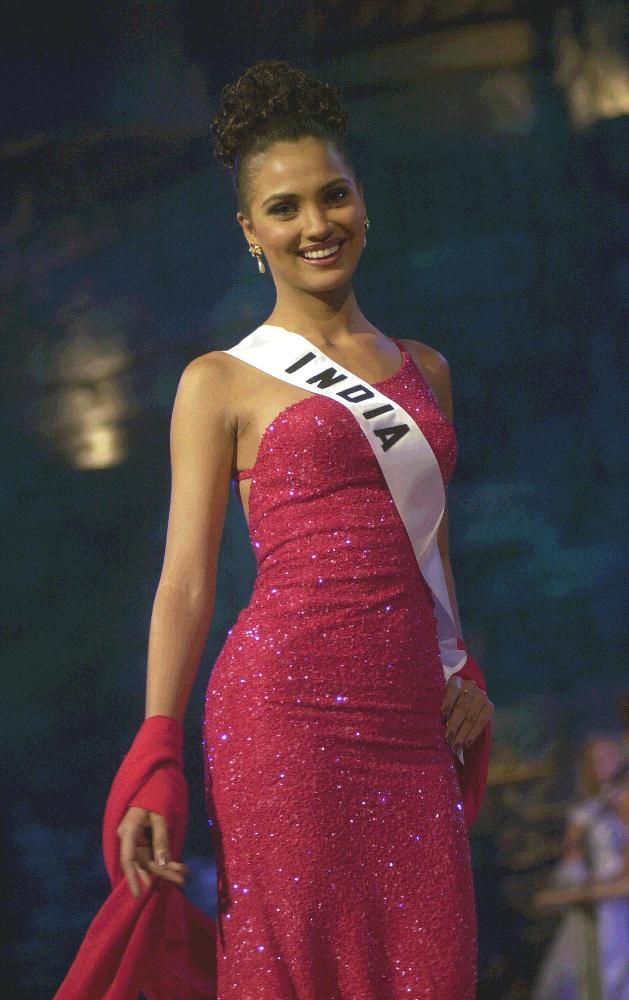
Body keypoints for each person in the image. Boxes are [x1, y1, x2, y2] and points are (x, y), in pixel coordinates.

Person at [55, 60, 493, 1000]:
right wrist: (156, 749)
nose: (316, 225)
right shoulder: (219, 380)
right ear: (251, 232)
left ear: (362, 201)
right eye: (286, 209)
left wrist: (466, 673)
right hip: (283, 721)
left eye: (333, 196)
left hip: (410, 728)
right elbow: (184, 584)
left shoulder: (427, 371)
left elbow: (428, 552)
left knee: (432, 970)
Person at [532, 734, 629, 1000]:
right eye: (595, 761)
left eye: (608, 758)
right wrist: (576, 882)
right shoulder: (586, 812)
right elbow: (572, 860)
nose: (603, 766)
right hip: (600, 897)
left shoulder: (623, 803)